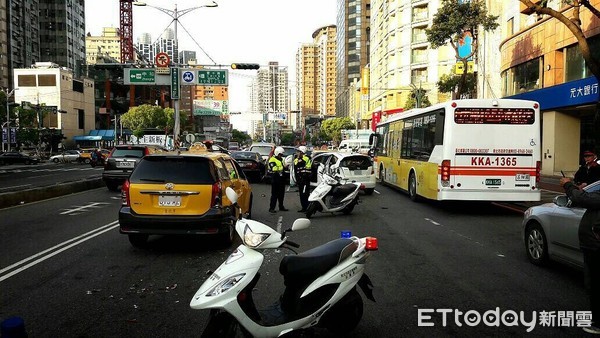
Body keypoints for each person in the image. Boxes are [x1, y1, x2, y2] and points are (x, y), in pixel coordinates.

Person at [560, 176, 600, 334]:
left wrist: (569, 185)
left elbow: (583, 198)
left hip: (595, 246)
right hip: (593, 244)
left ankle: (597, 323)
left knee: (596, 284)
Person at [268, 147, 288, 213]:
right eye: (280, 154)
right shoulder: (272, 160)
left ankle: (281, 206)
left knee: (281, 194)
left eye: (282, 155)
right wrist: (282, 167)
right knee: (274, 194)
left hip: (281, 178)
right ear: (277, 153)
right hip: (275, 178)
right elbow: (274, 168)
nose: (281, 156)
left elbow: (282, 167)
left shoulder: (281, 159)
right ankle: (271, 208)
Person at [293, 146, 312, 212]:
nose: (297, 153)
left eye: (298, 151)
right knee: (301, 194)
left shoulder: (306, 159)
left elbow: (308, 167)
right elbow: (295, 166)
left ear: (302, 152)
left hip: (305, 180)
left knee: (305, 194)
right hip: (299, 180)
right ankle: (303, 207)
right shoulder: (296, 159)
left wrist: (300, 160)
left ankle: (307, 208)